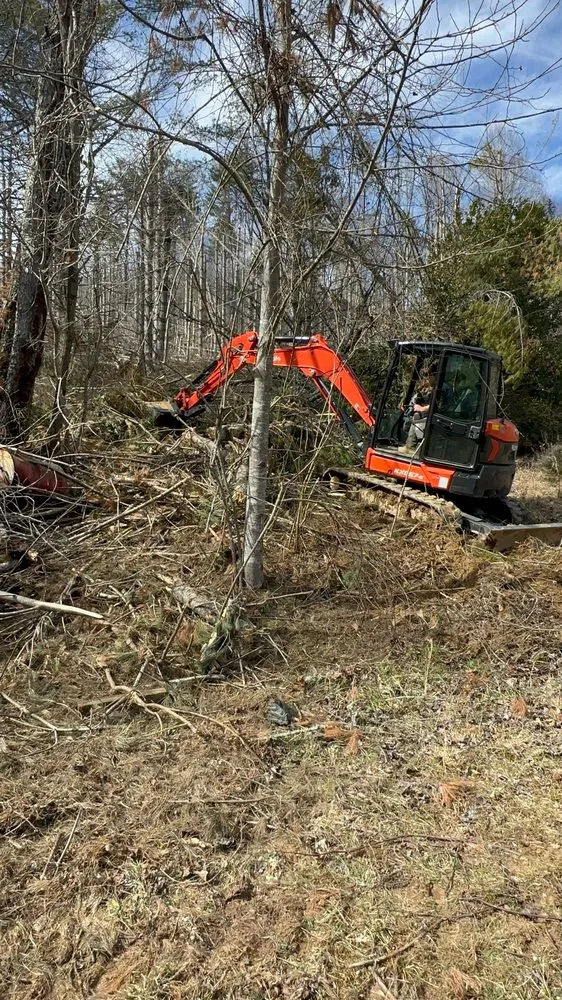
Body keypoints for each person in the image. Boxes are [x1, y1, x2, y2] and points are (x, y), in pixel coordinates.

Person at [398, 373, 435, 455]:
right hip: (428, 415)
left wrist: (422, 408)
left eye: (430, 375)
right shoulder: (428, 387)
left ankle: (411, 446)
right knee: (414, 416)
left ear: (435, 376)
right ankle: (410, 446)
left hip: (436, 418)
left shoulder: (441, 388)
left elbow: (437, 406)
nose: (427, 378)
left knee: (417, 417)